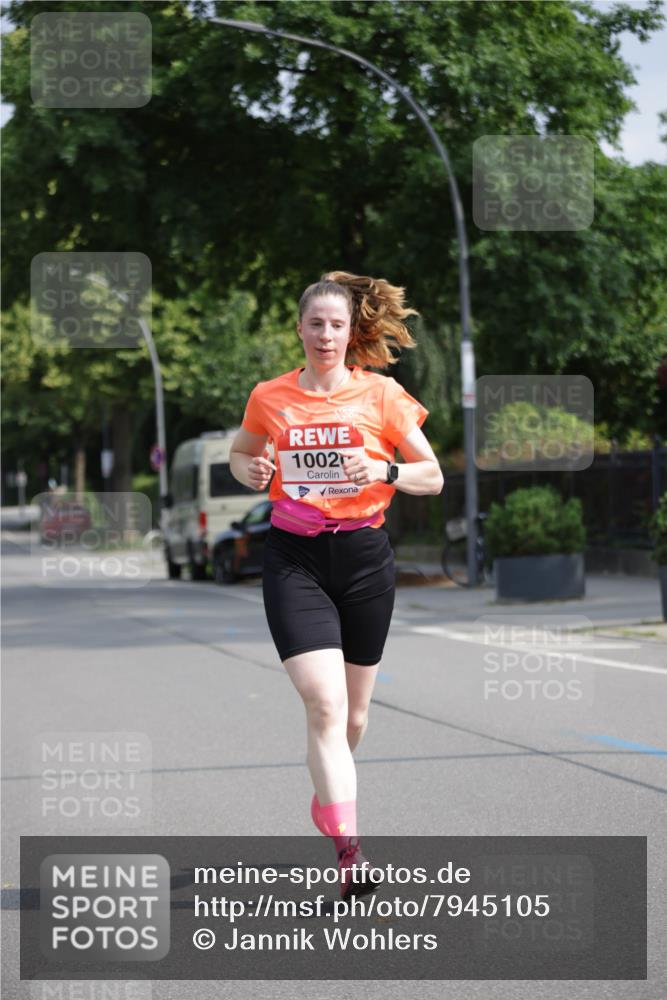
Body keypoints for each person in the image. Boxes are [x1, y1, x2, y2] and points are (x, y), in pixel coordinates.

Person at [230, 271, 444, 899]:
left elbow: (431, 476)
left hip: (364, 557)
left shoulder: (381, 395)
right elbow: (242, 455)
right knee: (322, 705)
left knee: (352, 719)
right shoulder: (269, 397)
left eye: (337, 325)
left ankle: (328, 796)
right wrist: (253, 469)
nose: (326, 335)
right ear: (299, 329)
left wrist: (383, 467)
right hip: (295, 557)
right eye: (315, 324)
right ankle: (351, 854)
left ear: (352, 333)